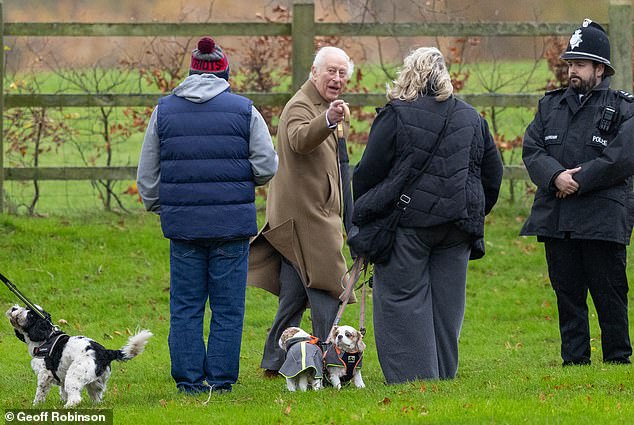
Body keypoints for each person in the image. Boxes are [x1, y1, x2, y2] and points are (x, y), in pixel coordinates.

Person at [136, 36, 278, 394]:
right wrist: (244, 182)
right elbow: (266, 165)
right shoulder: (245, 110)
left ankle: (188, 381)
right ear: (224, 73)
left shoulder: (163, 110)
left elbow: (147, 174)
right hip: (231, 227)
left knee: (186, 306)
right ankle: (221, 381)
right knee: (228, 308)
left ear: (192, 72)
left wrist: (160, 205)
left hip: (183, 227)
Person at [353, 47, 503, 383]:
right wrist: (472, 211)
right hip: (457, 228)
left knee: (402, 300)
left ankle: (415, 380)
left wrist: (366, 214)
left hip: (407, 224)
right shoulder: (472, 118)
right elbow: (493, 174)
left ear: (409, 73)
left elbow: (367, 172)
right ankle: (443, 376)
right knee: (447, 308)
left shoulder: (396, 114)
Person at [521, 19, 634, 366]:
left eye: (580, 64)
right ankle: (575, 359)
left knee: (609, 292)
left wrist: (579, 180)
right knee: (567, 293)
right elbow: (532, 148)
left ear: (600, 69)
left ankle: (617, 357)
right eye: (570, 64)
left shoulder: (624, 107)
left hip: (602, 217)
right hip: (557, 218)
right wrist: (555, 176)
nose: (573, 70)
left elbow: (621, 157)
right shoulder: (549, 106)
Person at [247, 46, 354, 376]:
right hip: (305, 220)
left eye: (342, 73)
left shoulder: (325, 105)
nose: (336, 78)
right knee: (326, 286)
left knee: (294, 294)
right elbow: (299, 139)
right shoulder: (301, 106)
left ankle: (274, 362)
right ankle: (328, 362)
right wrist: (327, 120)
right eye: (330, 71)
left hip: (312, 215)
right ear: (314, 71)